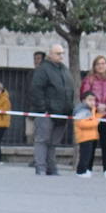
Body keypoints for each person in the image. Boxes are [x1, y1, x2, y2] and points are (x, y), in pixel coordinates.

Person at [29, 43, 73, 176]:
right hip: (47, 112)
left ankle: (51, 167)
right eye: (58, 53)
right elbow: (36, 89)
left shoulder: (64, 69)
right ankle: (41, 167)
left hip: (62, 112)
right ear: (50, 54)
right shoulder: (43, 69)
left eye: (62, 53)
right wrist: (43, 109)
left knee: (53, 142)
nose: (61, 56)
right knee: (42, 140)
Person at [79, 55, 106, 178]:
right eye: (98, 64)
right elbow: (84, 95)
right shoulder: (89, 80)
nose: (101, 66)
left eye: (103, 63)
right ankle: (88, 168)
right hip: (92, 116)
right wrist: (97, 106)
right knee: (91, 143)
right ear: (94, 66)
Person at [73, 92, 101, 177]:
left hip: (91, 136)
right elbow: (82, 124)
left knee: (88, 155)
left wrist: (99, 114)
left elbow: (95, 118)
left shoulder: (92, 109)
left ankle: (85, 170)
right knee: (84, 156)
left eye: (94, 100)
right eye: (90, 100)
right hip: (84, 137)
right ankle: (81, 171)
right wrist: (96, 122)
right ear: (83, 100)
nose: (92, 102)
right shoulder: (81, 110)